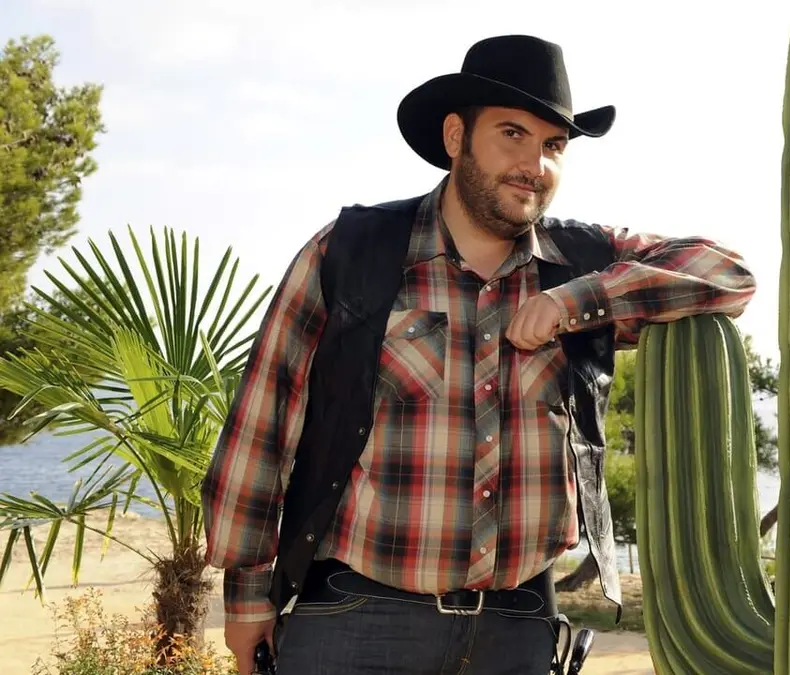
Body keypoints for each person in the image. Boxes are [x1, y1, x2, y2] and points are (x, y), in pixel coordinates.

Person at [200, 34, 757, 675]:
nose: (535, 165)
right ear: (455, 136)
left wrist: (581, 299)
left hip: (520, 629)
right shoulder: (349, 252)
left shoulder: (583, 262)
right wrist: (248, 596)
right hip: (358, 621)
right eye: (512, 134)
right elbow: (263, 426)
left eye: (554, 145)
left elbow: (729, 274)